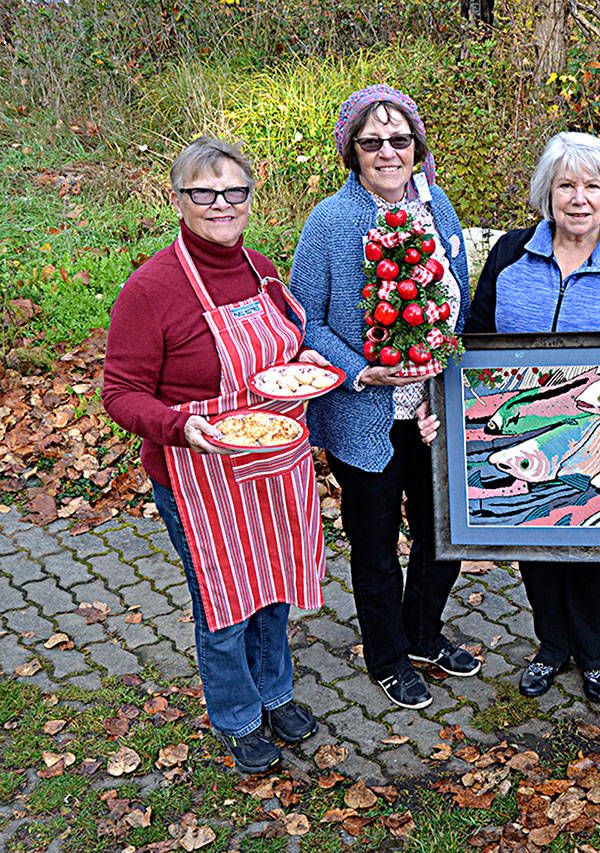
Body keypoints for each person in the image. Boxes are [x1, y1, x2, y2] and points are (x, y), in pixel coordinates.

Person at [103, 137, 324, 774]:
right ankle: (236, 715)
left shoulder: (260, 269)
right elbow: (120, 392)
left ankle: (276, 692)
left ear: (251, 198)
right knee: (224, 602)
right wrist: (180, 427)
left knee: (272, 590)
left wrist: (302, 362)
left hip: (274, 465)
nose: (220, 204)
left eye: (234, 191)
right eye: (204, 192)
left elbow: (279, 354)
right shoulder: (152, 288)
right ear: (178, 200)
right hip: (197, 473)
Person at [289, 85, 477, 711]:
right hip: (363, 412)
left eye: (401, 140)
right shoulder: (330, 222)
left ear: (417, 146)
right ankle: (388, 655)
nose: (388, 152)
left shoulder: (437, 207)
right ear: (353, 152)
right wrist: (357, 371)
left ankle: (421, 633)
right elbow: (304, 320)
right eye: (373, 143)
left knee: (443, 531)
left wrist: (446, 378)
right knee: (374, 543)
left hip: (432, 411)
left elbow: (461, 298)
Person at [467, 131, 600, 705]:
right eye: (566, 185)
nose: (579, 199)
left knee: (598, 546)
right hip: (524, 418)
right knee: (535, 538)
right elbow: (476, 338)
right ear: (546, 193)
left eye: (592, 186)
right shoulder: (509, 253)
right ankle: (551, 647)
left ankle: (594, 655)